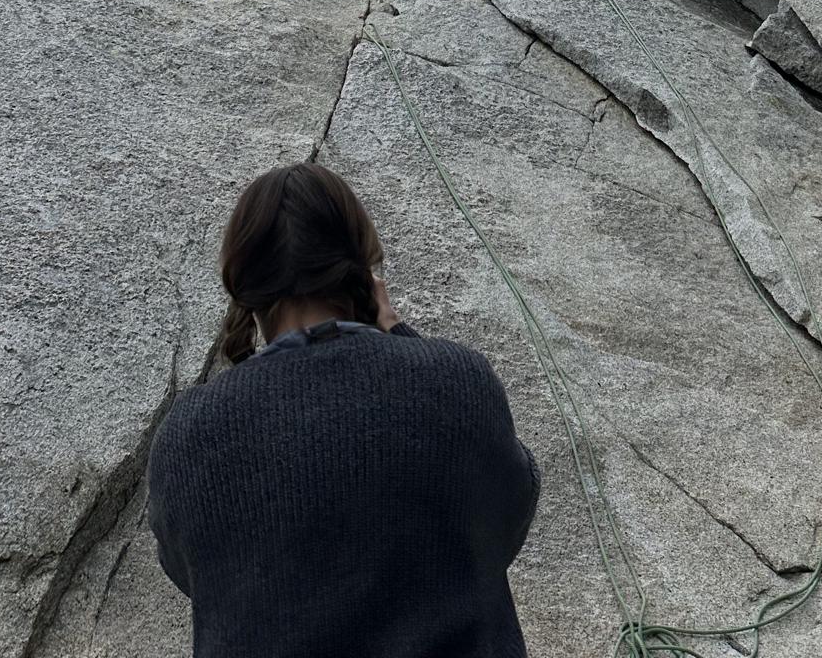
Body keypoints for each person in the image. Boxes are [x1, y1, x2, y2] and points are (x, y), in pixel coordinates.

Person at [147, 160, 540, 658]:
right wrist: (399, 334)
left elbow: (196, 575)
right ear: (362, 271)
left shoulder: (186, 435)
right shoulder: (458, 381)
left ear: (244, 280)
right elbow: (508, 510)